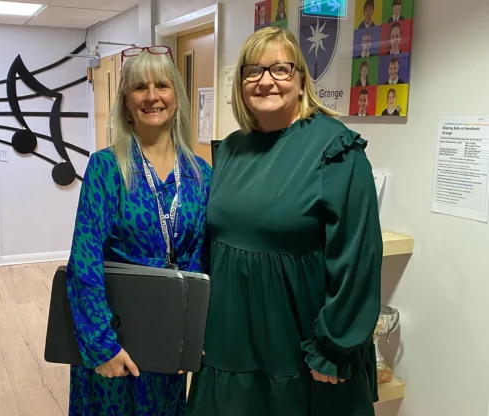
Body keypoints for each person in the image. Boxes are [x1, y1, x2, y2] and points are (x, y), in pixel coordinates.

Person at [187, 26, 383, 416]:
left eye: (280, 69)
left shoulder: (336, 149)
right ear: (241, 82)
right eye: (253, 70)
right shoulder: (230, 149)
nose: (266, 81)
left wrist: (332, 346)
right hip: (229, 342)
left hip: (298, 350)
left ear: (300, 80)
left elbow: (358, 259)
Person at [66, 45, 212, 415]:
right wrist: (102, 346)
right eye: (139, 88)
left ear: (176, 97)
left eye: (161, 85)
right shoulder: (106, 168)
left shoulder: (200, 174)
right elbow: (84, 261)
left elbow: (201, 259)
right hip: (115, 337)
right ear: (127, 102)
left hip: (167, 341)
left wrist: (188, 338)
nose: (151, 96)